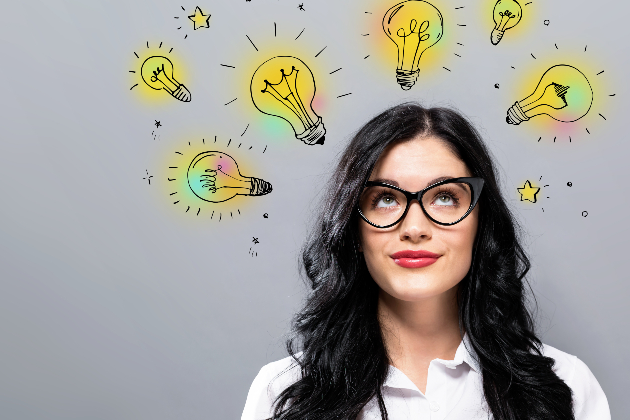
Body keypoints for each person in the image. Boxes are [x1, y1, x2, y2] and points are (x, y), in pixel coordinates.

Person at [241, 104, 610, 420]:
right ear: (353, 227)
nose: (414, 227)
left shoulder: (568, 387)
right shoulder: (283, 393)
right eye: (385, 199)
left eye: (445, 197)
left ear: (481, 222)